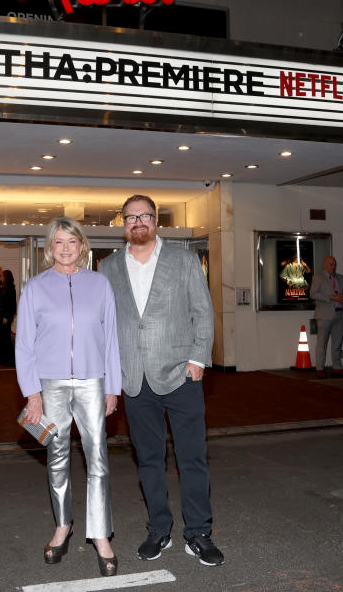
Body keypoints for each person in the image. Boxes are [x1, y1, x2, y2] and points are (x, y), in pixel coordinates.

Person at [97, 194, 223, 567]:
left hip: (182, 374)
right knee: (149, 460)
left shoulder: (183, 260)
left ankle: (198, 532)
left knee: (192, 458)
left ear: (156, 221)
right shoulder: (108, 268)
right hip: (134, 380)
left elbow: (204, 312)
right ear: (123, 224)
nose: (138, 222)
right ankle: (159, 529)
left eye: (145, 216)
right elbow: (104, 328)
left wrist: (199, 359)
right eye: (131, 217)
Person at [16, 217, 122, 577]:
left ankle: (100, 535)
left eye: (71, 242)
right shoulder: (35, 287)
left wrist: (112, 387)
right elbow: (25, 344)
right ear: (51, 247)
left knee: (98, 459)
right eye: (59, 242)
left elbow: (110, 340)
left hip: (93, 380)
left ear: (82, 246)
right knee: (56, 455)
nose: (65, 248)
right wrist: (32, 394)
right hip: (51, 383)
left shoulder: (100, 284)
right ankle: (63, 526)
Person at [310, 255, 343, 379]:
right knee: (322, 343)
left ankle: (337, 367)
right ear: (325, 265)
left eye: (334, 264)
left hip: (340, 314)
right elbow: (313, 294)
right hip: (324, 315)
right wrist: (331, 297)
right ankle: (319, 368)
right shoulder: (318, 277)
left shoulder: (340, 278)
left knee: (337, 343)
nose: (333, 267)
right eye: (330, 264)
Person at [0, 269, 17, 367]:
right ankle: (1, 358)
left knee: (6, 339)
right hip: (1, 315)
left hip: (6, 316)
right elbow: (2, 299)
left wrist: (7, 317)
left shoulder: (11, 288)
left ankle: (9, 360)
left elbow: (12, 305)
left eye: (3, 276)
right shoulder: (3, 287)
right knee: (0, 338)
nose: (1, 277)